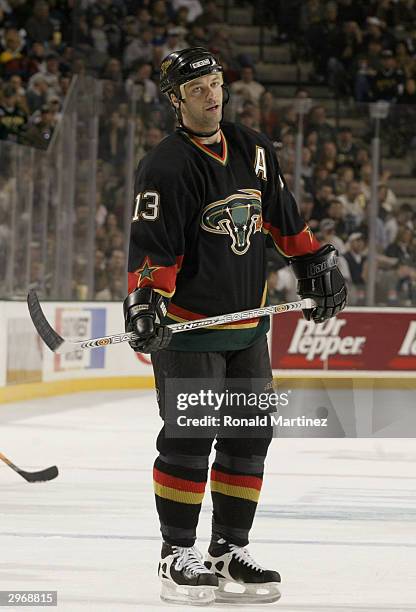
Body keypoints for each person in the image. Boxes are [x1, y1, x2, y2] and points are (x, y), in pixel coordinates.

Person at [123, 47, 347, 605]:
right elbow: (154, 249)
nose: (212, 95)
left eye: (217, 84)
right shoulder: (165, 165)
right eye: (197, 88)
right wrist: (146, 301)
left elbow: (282, 215)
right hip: (190, 329)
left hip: (248, 328)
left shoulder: (253, 147)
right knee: (189, 437)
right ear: (176, 100)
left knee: (250, 437)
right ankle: (176, 552)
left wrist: (312, 263)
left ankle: (228, 548)